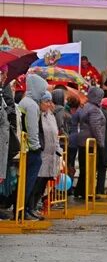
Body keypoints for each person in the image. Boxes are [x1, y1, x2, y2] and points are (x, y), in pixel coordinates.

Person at [18, 74, 48, 220]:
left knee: (27, 181)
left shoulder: (26, 102)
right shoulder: (31, 105)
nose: (44, 92)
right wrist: (36, 147)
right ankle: (24, 209)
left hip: (25, 148)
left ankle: (25, 209)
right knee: (29, 181)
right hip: (30, 149)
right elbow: (32, 129)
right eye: (42, 89)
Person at [30, 92, 61, 214]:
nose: (49, 104)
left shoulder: (50, 115)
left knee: (43, 184)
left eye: (50, 101)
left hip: (51, 155)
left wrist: (58, 149)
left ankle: (35, 207)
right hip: (42, 154)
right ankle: (31, 207)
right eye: (46, 101)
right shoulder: (38, 115)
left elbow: (55, 134)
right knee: (36, 183)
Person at [73, 87, 105, 199]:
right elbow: (96, 127)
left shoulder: (85, 107)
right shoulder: (95, 109)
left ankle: (80, 190)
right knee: (90, 168)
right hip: (91, 142)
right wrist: (101, 143)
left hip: (82, 140)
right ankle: (88, 192)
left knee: (84, 168)